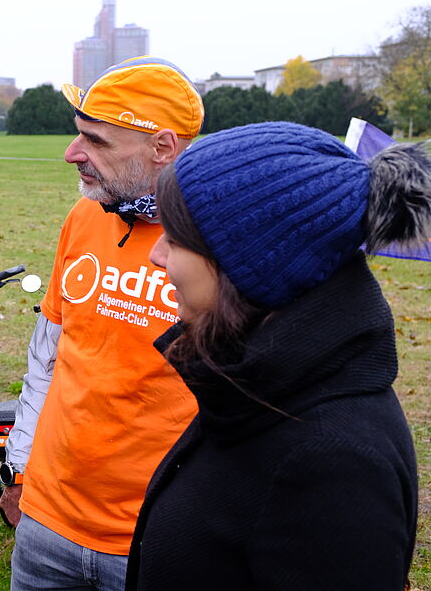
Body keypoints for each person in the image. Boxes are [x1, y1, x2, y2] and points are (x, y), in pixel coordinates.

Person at [126, 121, 427, 589]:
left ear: (251, 264)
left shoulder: (338, 465)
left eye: (177, 239)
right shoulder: (257, 379)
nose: (156, 255)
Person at [0, 56, 203, 590]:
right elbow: (49, 355)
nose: (72, 154)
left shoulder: (221, 238)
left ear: (162, 147)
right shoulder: (85, 215)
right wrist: (21, 471)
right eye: (77, 135)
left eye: (96, 141)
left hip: (159, 538)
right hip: (47, 525)